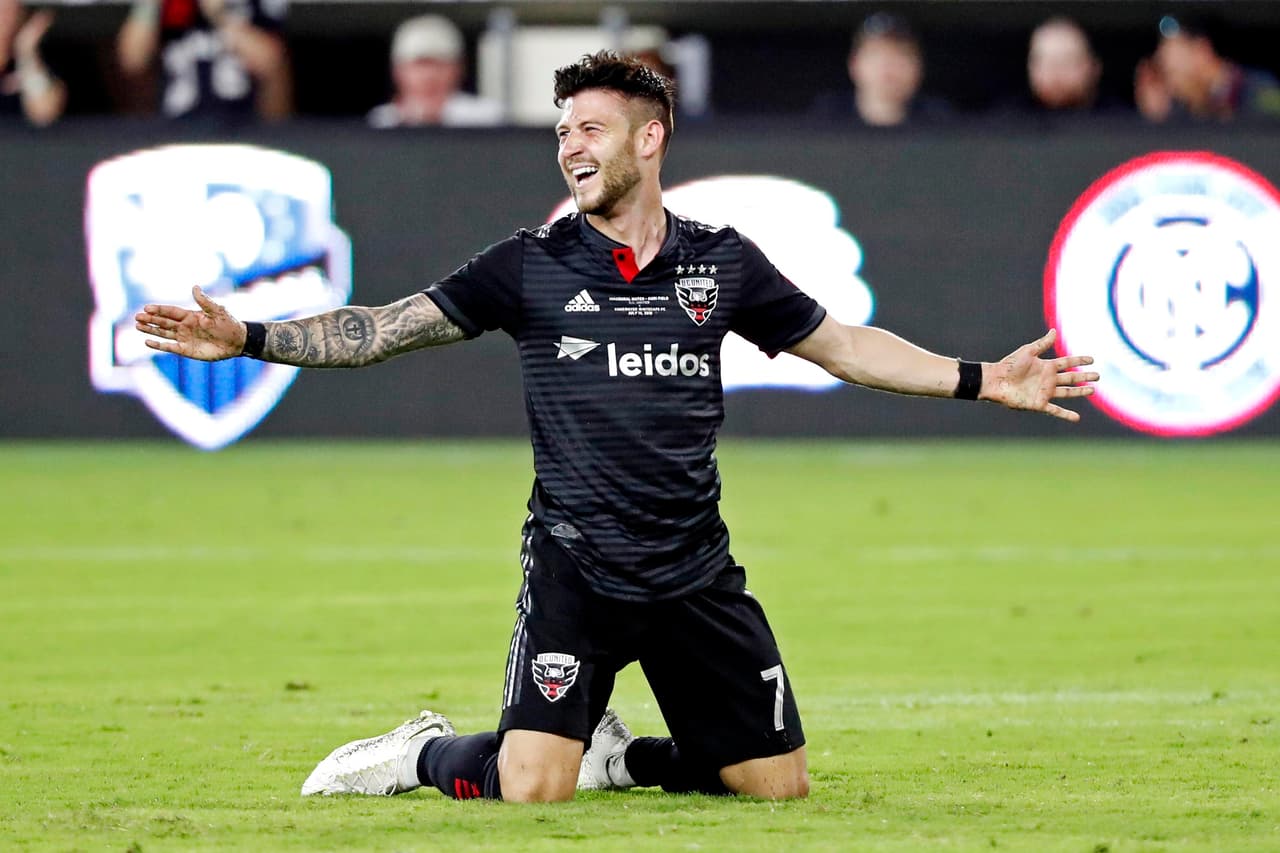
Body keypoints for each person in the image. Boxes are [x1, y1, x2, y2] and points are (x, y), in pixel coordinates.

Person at [135, 51, 1097, 804]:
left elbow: (845, 346)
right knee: (527, 786)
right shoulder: (530, 265)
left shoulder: (721, 265)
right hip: (577, 568)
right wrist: (252, 336)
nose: (570, 146)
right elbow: (383, 329)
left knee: (777, 786)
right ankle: (420, 753)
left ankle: (621, 756)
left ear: (651, 138)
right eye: (562, 132)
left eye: (591, 128)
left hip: (693, 572)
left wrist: (984, 380)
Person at [116, 0, 292, 121]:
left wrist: (221, 15)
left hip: (240, 126)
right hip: (176, 128)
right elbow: (132, 60)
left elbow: (270, 62)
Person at [809, 12, 950, 126]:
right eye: (876, 54)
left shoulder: (939, 123)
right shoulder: (826, 120)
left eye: (901, 54)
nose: (888, 66)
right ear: (854, 64)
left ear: (919, 66)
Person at [1135, 14, 1280, 123]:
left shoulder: (1259, 92)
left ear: (1201, 51)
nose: (1172, 86)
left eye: (1173, 73)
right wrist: (1157, 119)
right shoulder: (1179, 111)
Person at [367, 14, 502, 129]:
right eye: (420, 65)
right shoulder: (382, 121)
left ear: (459, 68)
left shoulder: (486, 118)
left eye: (439, 64)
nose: (429, 76)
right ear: (398, 71)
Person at [1011, 16, 1124, 116]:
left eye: (1067, 61)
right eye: (1044, 62)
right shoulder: (1009, 123)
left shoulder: (1119, 121)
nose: (1055, 73)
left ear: (1094, 67)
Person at [0, 0, 66, 126]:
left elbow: (44, 114)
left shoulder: (40, 58)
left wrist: (26, 52)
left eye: (10, 10)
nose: (4, 17)